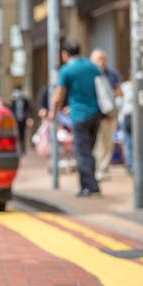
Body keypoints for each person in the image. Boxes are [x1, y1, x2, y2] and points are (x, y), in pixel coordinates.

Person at [49, 40, 102, 197]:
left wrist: (53, 111)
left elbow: (59, 95)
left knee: (82, 152)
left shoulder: (66, 70)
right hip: (96, 115)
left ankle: (90, 187)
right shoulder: (93, 66)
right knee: (89, 151)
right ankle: (90, 184)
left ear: (65, 54)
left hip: (79, 115)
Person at [90, 49, 122, 181]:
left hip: (110, 115)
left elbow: (119, 91)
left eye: (103, 58)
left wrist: (109, 101)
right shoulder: (90, 74)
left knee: (108, 143)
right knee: (97, 144)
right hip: (95, 116)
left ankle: (104, 169)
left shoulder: (112, 74)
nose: (101, 62)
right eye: (98, 59)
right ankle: (97, 168)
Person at [9, 85, 33, 155]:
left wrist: (29, 118)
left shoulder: (25, 101)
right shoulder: (13, 101)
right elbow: (11, 110)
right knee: (17, 135)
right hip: (16, 120)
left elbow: (28, 110)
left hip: (23, 120)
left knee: (23, 135)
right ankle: (18, 149)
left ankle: (23, 150)